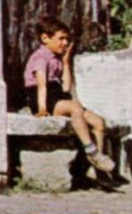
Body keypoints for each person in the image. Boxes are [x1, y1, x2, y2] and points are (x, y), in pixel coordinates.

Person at [25, 15, 115, 173]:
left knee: (98, 122)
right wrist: (42, 109)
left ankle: (97, 166)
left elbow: (66, 88)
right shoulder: (40, 58)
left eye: (67, 39)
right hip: (43, 99)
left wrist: (66, 62)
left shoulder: (57, 60)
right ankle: (90, 150)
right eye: (61, 39)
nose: (65, 43)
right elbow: (41, 86)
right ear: (45, 38)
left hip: (58, 97)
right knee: (75, 107)